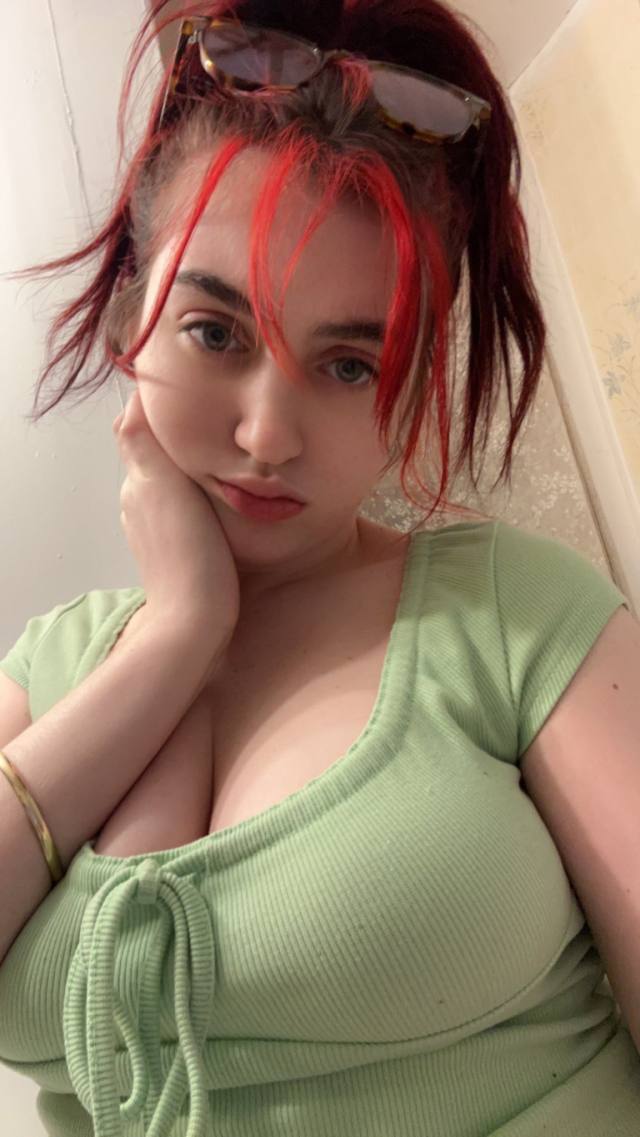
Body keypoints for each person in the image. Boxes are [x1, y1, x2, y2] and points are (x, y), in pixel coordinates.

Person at [0, 2, 638, 1135]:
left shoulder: (522, 618)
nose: (267, 436)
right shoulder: (49, 664)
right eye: (215, 333)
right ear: (129, 317)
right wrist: (177, 635)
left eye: (350, 366)